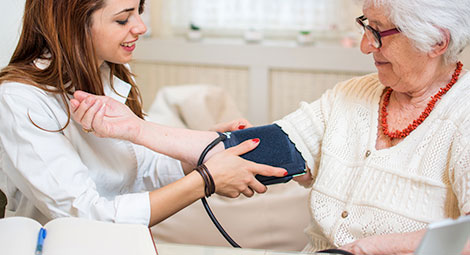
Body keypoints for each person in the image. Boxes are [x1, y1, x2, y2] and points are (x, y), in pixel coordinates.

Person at [68, 0, 470, 254]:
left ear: (435, 40)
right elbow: (259, 148)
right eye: (366, 24)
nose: (366, 45)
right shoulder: (354, 95)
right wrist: (134, 129)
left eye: (378, 32)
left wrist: (367, 250)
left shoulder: (463, 114)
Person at [0, 0, 288, 227]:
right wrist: (205, 180)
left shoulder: (110, 74)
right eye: (123, 18)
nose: (140, 27)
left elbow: (141, 171)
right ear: (72, 24)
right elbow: (86, 216)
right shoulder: (19, 99)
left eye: (140, 10)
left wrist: (204, 148)